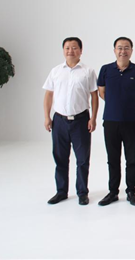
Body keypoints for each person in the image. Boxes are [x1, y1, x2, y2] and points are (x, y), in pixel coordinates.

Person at [43, 37, 98, 205]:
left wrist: (93, 118)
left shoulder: (88, 71)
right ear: (63, 50)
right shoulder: (56, 71)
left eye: (74, 48)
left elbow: (94, 96)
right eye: (67, 48)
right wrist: (47, 117)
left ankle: (82, 192)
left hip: (81, 120)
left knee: (82, 159)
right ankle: (61, 191)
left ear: (81, 51)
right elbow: (48, 95)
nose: (70, 51)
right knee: (60, 158)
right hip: (59, 120)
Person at [97, 37, 135, 207]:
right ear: (114, 50)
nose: (123, 51)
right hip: (110, 120)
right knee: (113, 158)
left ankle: (131, 191)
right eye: (120, 48)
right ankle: (113, 192)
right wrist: (114, 105)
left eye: (126, 48)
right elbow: (101, 92)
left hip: (131, 120)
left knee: (131, 158)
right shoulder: (105, 69)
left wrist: (129, 105)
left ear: (131, 50)